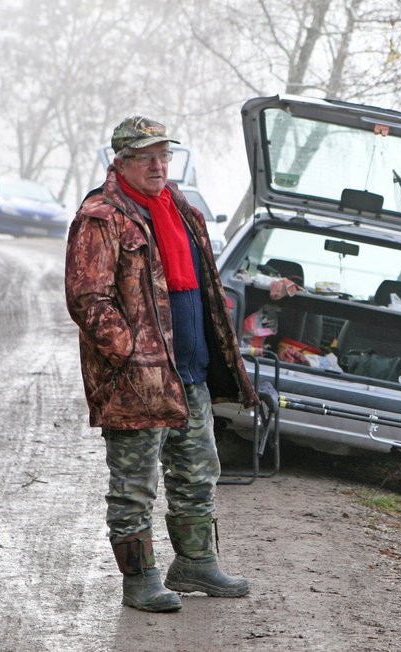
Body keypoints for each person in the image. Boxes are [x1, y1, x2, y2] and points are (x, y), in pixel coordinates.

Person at [65, 116, 258, 613]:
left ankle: (196, 563)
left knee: (198, 473)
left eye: (164, 156)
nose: (158, 165)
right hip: (137, 379)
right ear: (122, 161)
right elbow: (88, 298)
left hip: (188, 370)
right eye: (146, 157)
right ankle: (140, 580)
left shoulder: (180, 208)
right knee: (134, 486)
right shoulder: (102, 215)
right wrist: (128, 353)